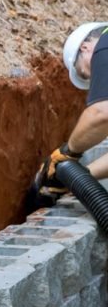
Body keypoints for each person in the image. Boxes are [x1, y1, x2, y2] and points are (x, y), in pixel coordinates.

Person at [29, 22, 108, 209]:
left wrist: (65, 154)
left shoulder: (104, 45)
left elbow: (101, 113)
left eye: (85, 73)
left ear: (85, 47)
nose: (92, 79)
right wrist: (74, 177)